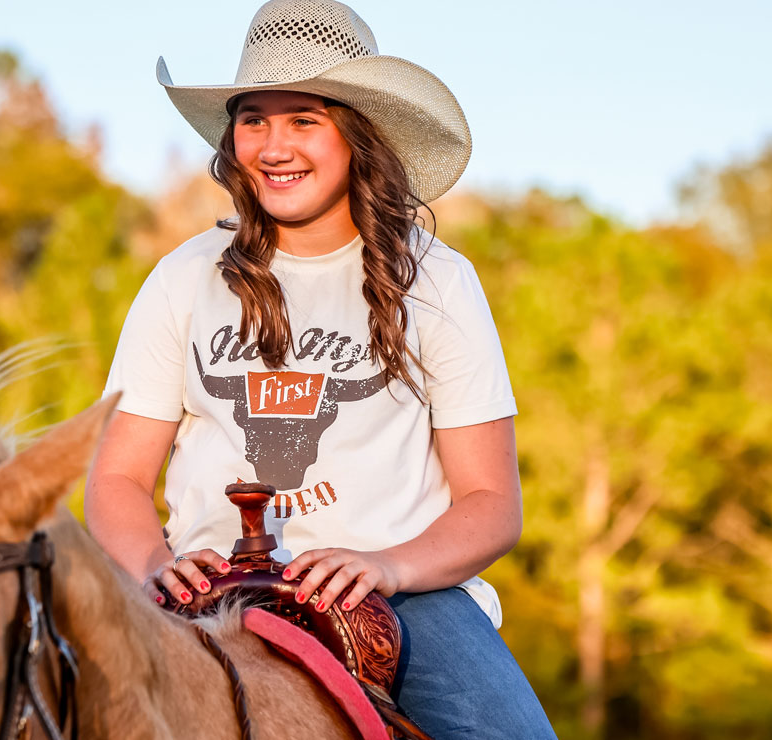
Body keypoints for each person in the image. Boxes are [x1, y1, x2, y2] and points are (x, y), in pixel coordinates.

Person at [86, 1, 556, 737]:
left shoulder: (436, 282)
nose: (275, 146)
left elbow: (492, 502)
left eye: (304, 119)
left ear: (356, 134)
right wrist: (152, 563)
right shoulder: (184, 278)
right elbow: (115, 476)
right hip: (213, 589)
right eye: (254, 119)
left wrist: (391, 567)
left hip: (403, 599)